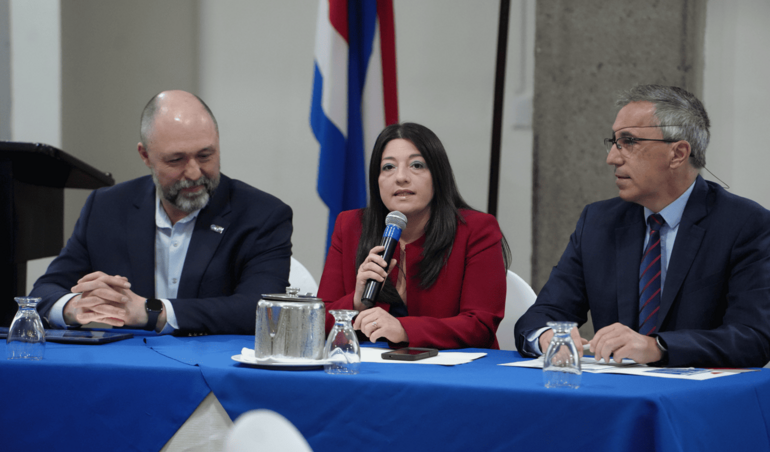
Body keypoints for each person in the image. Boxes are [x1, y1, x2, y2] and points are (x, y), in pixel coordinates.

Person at [515, 85, 770, 368]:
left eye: (629, 142)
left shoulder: (745, 224)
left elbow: (753, 337)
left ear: (678, 153)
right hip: (614, 388)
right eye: (614, 142)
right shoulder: (599, 222)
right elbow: (543, 314)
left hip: (698, 391)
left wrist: (657, 347)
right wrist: (546, 335)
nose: (612, 158)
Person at [30, 90, 293, 335]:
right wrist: (76, 306)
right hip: (128, 362)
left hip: (212, 365)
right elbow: (42, 292)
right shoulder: (106, 207)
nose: (194, 173)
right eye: (176, 160)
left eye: (205, 156)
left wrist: (152, 312)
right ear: (145, 156)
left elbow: (262, 310)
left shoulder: (262, 215)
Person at [317, 123, 510, 349]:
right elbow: (318, 322)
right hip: (372, 366)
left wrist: (404, 329)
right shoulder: (350, 226)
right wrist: (356, 301)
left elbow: (481, 325)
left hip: (454, 367)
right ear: (376, 179)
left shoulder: (477, 230)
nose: (401, 177)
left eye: (416, 165)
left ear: (437, 175)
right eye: (388, 167)